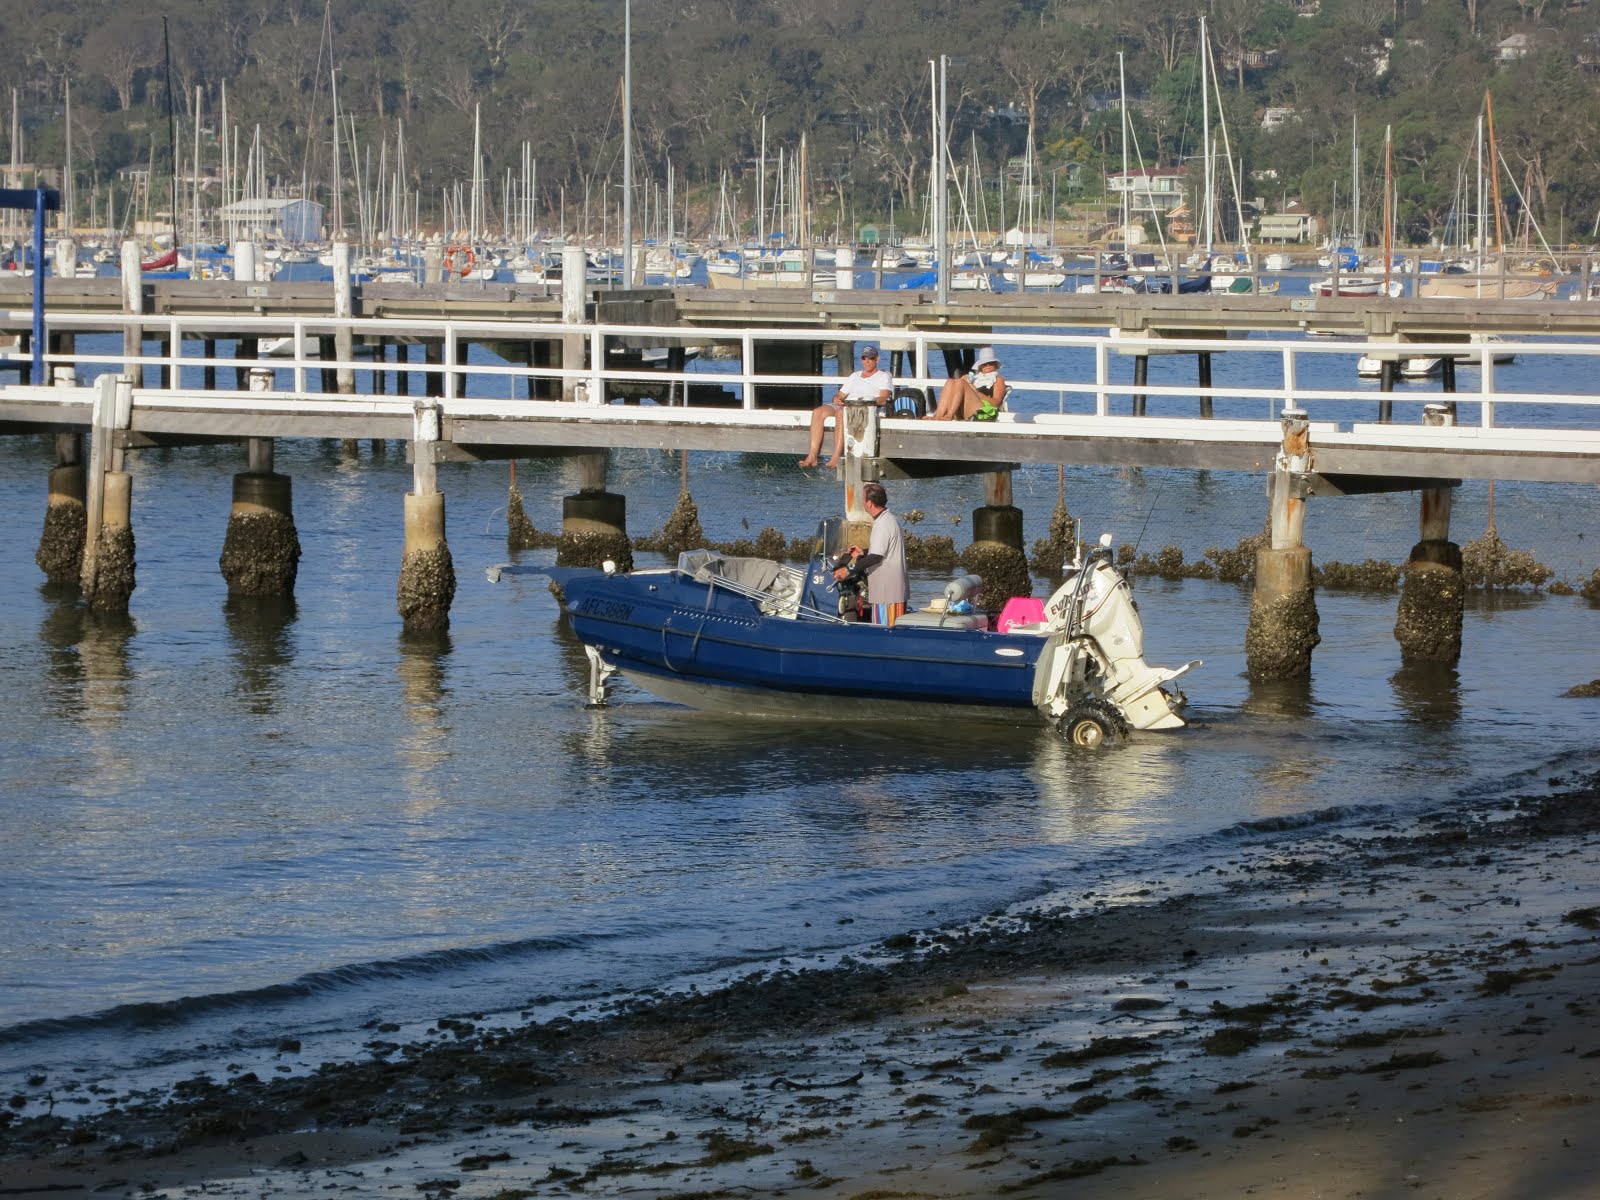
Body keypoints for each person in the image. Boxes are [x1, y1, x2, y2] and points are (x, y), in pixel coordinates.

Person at [798, 346, 893, 469]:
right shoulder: (855, 376)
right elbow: (840, 395)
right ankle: (812, 456)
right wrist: (837, 398)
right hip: (846, 404)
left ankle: (836, 455)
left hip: (862, 407)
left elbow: (883, 398)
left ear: (877, 359)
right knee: (818, 412)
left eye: (870, 358)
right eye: (864, 358)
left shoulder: (883, 376)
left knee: (840, 413)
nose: (867, 361)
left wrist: (864, 402)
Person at [832, 481, 908, 626]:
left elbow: (876, 557)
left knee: (884, 630)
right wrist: (863, 552)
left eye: (863, 499)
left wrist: (848, 570)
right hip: (893, 591)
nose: (862, 502)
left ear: (870, 503)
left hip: (887, 594)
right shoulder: (889, 519)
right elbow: (882, 550)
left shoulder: (882, 524)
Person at [926, 346, 1006, 421]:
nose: (988, 365)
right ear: (980, 366)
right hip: (966, 407)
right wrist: (964, 381)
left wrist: (976, 392)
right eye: (984, 363)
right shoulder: (975, 378)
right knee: (950, 381)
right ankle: (938, 415)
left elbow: (996, 403)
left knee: (961, 382)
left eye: (991, 363)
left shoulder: (998, 379)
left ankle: (950, 415)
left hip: (984, 410)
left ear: (995, 364)